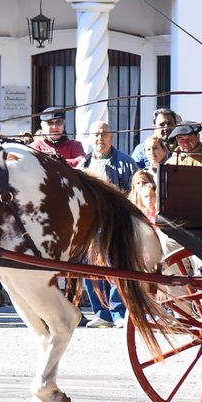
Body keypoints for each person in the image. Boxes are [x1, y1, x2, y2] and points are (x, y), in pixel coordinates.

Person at [80, 120, 135, 327]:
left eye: (104, 134)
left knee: (115, 267)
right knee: (91, 268)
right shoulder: (83, 165)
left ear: (111, 136)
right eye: (96, 134)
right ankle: (101, 312)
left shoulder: (126, 162)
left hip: (116, 223)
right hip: (91, 226)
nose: (100, 138)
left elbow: (135, 193)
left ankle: (118, 311)